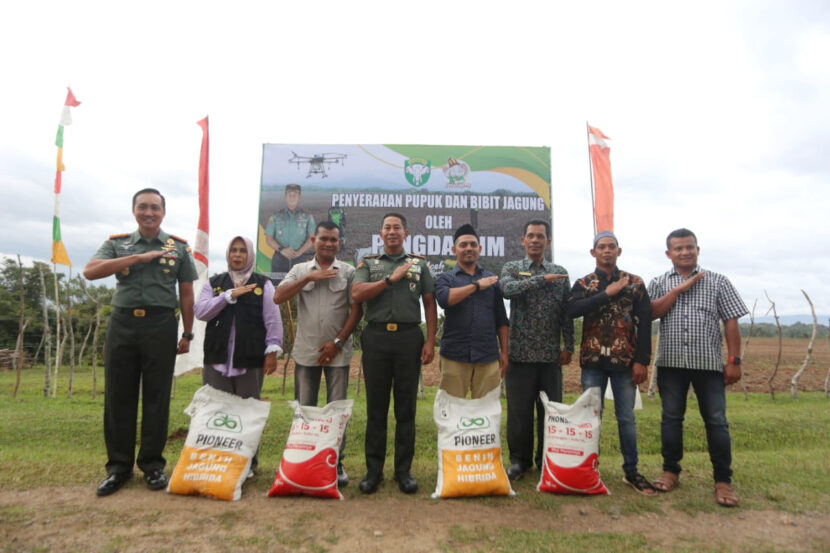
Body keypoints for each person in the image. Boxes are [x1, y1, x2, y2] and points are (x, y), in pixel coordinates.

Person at [83, 188, 198, 497]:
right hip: (122, 323)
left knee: (156, 396)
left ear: (163, 212)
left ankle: (152, 466)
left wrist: (187, 333)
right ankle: (118, 468)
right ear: (134, 211)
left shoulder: (179, 248)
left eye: (155, 208)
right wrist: (137, 257)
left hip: (161, 324)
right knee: (119, 397)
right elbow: (90, 272)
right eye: (143, 207)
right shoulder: (117, 243)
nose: (149, 213)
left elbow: (186, 292)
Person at [648, 228, 748, 507]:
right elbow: (651, 312)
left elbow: (731, 322)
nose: (685, 252)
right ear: (669, 254)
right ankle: (670, 471)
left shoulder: (718, 282)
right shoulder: (658, 282)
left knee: (716, 421)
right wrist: (678, 290)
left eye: (689, 247)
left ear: (698, 249)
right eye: (678, 248)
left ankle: (723, 481)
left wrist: (734, 360)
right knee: (671, 419)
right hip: (671, 364)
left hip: (709, 365)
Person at [351, 213, 437, 494]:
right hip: (375, 338)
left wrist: (430, 341)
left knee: (406, 410)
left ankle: (404, 472)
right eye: (387, 227)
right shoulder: (368, 263)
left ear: (405, 232)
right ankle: (373, 472)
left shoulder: (419, 264)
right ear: (380, 233)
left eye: (396, 227)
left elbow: (429, 304)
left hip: (409, 338)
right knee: (376, 409)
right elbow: (357, 293)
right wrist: (389, 280)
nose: (392, 231)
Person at [565, 231, 657, 495]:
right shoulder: (584, 284)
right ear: (593, 253)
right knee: (591, 418)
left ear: (619, 251)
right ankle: (589, 471)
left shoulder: (636, 283)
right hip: (592, 362)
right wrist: (606, 294)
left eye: (611, 247)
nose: (607, 251)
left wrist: (642, 361)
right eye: (601, 247)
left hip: (625, 362)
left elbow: (644, 322)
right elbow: (570, 311)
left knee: (626, 418)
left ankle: (632, 471)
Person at [273, 221, 362, 487]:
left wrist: (337, 342)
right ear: (314, 240)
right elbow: (278, 296)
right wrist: (309, 278)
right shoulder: (299, 269)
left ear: (339, 242)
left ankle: (336, 464)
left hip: (338, 352)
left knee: (336, 411)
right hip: (306, 352)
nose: (328, 244)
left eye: (334, 240)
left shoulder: (347, 272)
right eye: (324, 239)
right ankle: (302, 463)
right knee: (305, 409)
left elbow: (356, 311)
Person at [194, 235, 283, 473]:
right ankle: (217, 460)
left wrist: (272, 351)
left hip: (250, 358)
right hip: (217, 358)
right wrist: (228, 296)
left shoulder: (263, 284)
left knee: (247, 412)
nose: (237, 254)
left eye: (242, 250)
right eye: (233, 250)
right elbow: (200, 311)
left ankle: (248, 463)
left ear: (250, 254)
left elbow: (272, 319)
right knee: (216, 410)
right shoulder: (215, 283)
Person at [500, 219, 574, 481]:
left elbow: (567, 313)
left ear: (548, 242)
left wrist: (569, 346)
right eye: (530, 236)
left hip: (550, 356)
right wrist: (541, 280)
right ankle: (519, 461)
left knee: (550, 412)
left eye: (540, 236)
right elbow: (507, 290)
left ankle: (546, 460)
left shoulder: (561, 273)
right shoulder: (512, 268)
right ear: (522, 240)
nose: (534, 240)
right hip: (519, 354)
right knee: (518, 413)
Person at [435, 223, 509, 399]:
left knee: (486, 412)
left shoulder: (491, 280)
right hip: (453, 355)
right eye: (463, 245)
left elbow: (501, 319)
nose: (469, 248)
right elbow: (445, 299)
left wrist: (504, 352)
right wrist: (476, 286)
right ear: (454, 250)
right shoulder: (445, 278)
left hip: (488, 356)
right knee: (451, 412)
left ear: (480, 248)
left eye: (473, 245)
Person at [265, 183, 315, 281]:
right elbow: (268, 238)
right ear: (285, 196)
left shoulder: (307, 217)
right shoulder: (275, 216)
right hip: (279, 259)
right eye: (289, 194)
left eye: (295, 194)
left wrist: (300, 252)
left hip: (300, 259)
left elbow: (312, 238)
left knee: (300, 289)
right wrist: (282, 250)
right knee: (278, 290)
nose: (292, 197)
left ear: (299, 196)